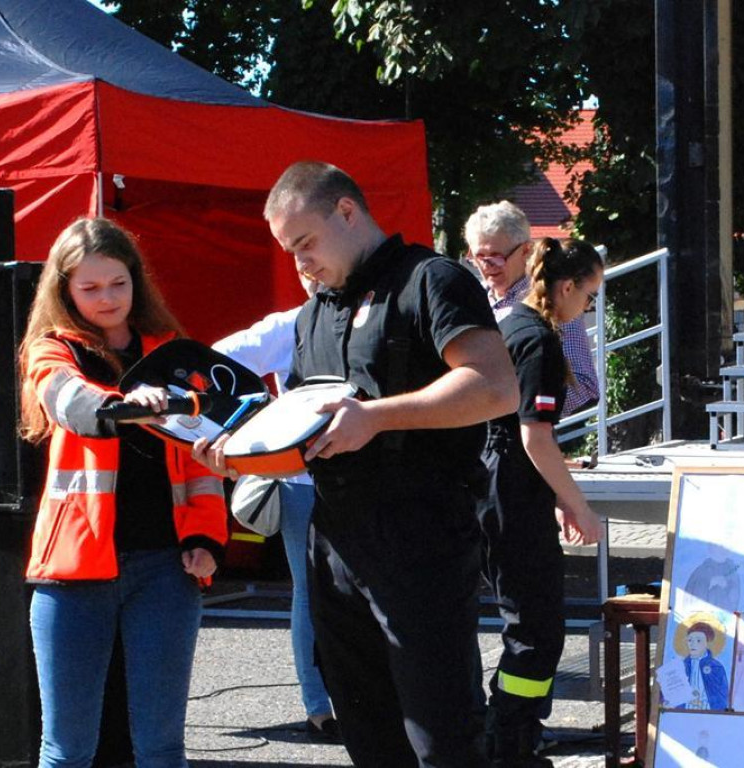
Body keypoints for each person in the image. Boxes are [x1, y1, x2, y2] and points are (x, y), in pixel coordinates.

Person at [194, 161, 519, 768]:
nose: (300, 263)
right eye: (289, 251)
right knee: (367, 733)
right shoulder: (316, 313)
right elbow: (308, 429)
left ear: (347, 211)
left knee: (442, 736)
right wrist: (241, 455)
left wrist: (377, 417)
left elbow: (496, 388)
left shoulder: (430, 280)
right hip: (334, 539)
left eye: (306, 243)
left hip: (420, 533)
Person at [19, 217, 228, 768]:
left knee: (162, 748)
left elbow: (201, 463)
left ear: (137, 281)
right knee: (66, 750)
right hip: (71, 573)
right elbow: (73, 403)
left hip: (166, 567)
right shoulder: (51, 351)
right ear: (63, 290)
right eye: (89, 288)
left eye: (118, 283)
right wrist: (131, 401)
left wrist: (208, 534)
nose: (106, 298)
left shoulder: (174, 352)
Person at [476, 238, 605, 767]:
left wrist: (551, 494)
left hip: (500, 483)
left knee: (529, 626)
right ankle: (509, 744)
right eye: (590, 295)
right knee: (537, 632)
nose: (589, 308)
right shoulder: (538, 340)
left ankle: (511, 736)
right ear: (566, 286)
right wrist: (578, 504)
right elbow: (535, 437)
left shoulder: (511, 328)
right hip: (509, 486)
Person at [211, 272, 340, 741]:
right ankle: (319, 705)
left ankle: (361, 696)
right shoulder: (288, 325)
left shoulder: (367, 318)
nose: (315, 276)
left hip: (364, 483)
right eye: (306, 269)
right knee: (311, 591)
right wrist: (252, 422)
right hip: (301, 484)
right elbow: (214, 363)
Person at [464, 201, 599, 414]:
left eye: (497, 257)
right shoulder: (470, 299)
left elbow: (585, 387)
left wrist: (525, 405)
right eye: (479, 257)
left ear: (526, 250)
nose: (487, 266)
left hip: (524, 436)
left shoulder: (552, 301)